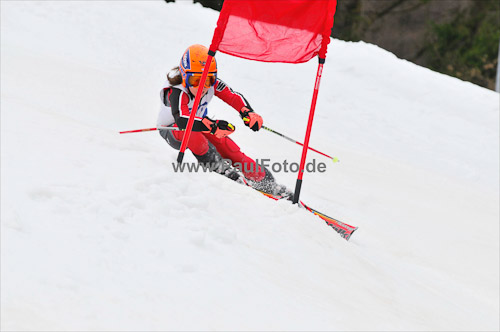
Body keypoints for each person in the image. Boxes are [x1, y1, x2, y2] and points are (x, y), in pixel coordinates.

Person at [157, 44, 291, 197]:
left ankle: (267, 183)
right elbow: (181, 119)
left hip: (200, 124)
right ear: (184, 75)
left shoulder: (213, 83)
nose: (202, 87)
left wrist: (248, 113)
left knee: (229, 148)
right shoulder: (177, 91)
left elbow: (232, 96)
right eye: (195, 80)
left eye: (208, 80)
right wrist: (211, 126)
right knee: (196, 138)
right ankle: (223, 171)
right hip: (174, 130)